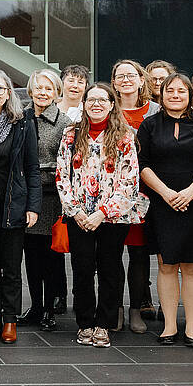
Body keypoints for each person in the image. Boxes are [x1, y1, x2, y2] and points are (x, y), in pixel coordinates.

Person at [137, 74, 193, 347]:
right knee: (166, 264)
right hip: (162, 204)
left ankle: (192, 329)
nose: (175, 95)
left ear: (190, 95)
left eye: (181, 91)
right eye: (170, 91)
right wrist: (166, 193)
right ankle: (170, 326)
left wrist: (189, 193)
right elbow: (142, 163)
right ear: (161, 95)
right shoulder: (149, 125)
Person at [56, 83, 145, 348]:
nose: (96, 104)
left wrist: (103, 213)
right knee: (82, 269)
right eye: (91, 99)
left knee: (110, 269)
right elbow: (62, 176)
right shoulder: (71, 134)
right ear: (83, 105)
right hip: (79, 216)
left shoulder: (125, 136)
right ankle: (84, 322)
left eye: (102, 100)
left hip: (112, 218)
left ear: (111, 104)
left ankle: (103, 324)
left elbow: (129, 181)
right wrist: (78, 211)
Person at [0, 70, 40, 345]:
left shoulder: (22, 123)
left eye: (0, 88)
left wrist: (33, 206)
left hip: (13, 201)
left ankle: (10, 318)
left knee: (12, 265)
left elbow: (32, 167)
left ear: (8, 92)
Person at [111, 59, 158, 333]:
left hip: (144, 193)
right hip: (113, 192)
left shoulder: (155, 111)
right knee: (112, 253)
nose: (126, 80)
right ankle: (115, 307)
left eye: (132, 75)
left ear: (142, 80)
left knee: (139, 255)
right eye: (120, 76)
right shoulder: (107, 107)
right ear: (114, 82)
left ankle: (136, 309)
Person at [26, 69, 72, 330]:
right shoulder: (19, 117)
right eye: (38, 88)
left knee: (50, 256)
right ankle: (35, 306)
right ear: (31, 90)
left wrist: (39, 168)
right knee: (30, 255)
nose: (43, 93)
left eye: (49, 88)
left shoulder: (64, 122)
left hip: (51, 197)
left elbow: (66, 163)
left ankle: (50, 309)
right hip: (26, 198)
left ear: (57, 93)